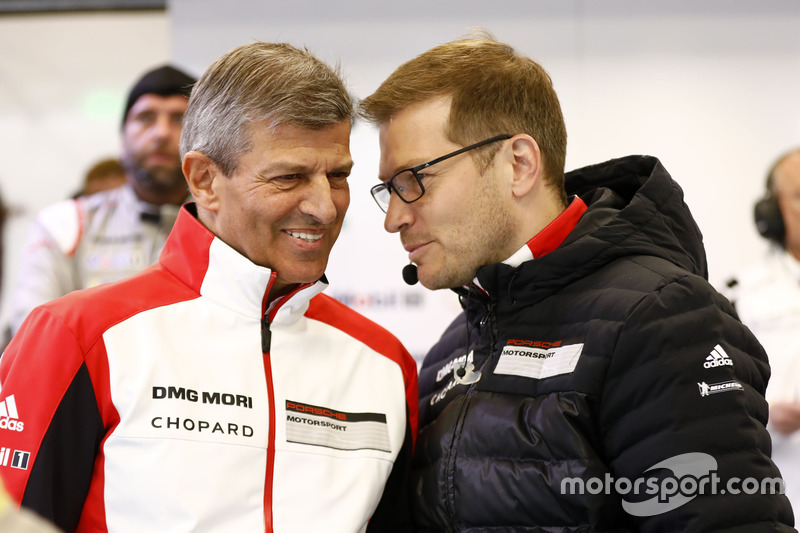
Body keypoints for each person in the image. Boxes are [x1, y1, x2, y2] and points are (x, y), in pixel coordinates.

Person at [358, 34, 794, 531]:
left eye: (414, 180)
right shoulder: (452, 348)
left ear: (518, 164)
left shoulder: (661, 318)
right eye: (387, 189)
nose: (393, 218)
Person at [0, 41, 418, 532]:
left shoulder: (385, 363)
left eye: (339, 175)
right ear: (204, 179)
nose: (325, 208)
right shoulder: (80, 337)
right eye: (289, 177)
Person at [8, 64, 196, 336]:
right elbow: (33, 338)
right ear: (122, 139)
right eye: (145, 117)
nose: (161, 133)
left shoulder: (229, 227)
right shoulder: (64, 225)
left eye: (179, 118)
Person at [723, 148, 800, 513]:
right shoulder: (740, 296)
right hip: (778, 490)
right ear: (771, 213)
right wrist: (764, 413)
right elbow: (716, 394)